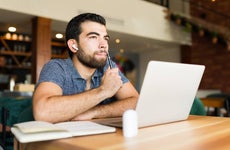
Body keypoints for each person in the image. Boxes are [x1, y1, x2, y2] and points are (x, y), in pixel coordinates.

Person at [32, 13, 139, 123]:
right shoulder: (57, 67)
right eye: (93, 37)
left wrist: (95, 112)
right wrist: (103, 91)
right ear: (74, 45)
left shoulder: (108, 67)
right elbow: (42, 113)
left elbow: (137, 102)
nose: (103, 45)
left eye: (105, 38)